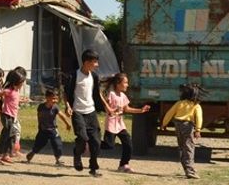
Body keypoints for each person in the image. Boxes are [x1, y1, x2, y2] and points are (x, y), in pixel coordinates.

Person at [63, 49, 104, 177]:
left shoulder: (94, 76)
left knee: (96, 141)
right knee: (82, 138)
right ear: (86, 62)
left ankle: (93, 167)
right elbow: (65, 93)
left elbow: (98, 94)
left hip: (91, 112)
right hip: (78, 112)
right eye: (95, 62)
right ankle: (77, 154)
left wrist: (108, 107)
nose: (97, 65)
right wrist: (67, 106)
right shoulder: (73, 76)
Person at [102, 72, 150, 173]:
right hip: (111, 124)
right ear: (118, 83)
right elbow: (105, 105)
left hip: (120, 125)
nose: (127, 85)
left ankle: (123, 165)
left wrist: (140, 110)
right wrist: (110, 110)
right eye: (125, 82)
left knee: (128, 143)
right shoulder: (111, 94)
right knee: (108, 145)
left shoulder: (123, 95)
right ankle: (91, 144)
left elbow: (126, 109)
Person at [161, 84, 203, 180]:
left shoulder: (179, 103)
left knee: (182, 146)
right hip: (188, 126)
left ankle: (186, 168)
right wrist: (198, 130)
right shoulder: (196, 105)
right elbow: (199, 118)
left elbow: (169, 113)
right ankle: (190, 170)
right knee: (189, 147)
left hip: (178, 125)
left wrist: (164, 123)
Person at [26, 86, 71, 165]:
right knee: (39, 144)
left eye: (56, 99)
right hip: (43, 129)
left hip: (53, 129)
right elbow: (39, 117)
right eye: (53, 98)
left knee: (57, 144)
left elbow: (61, 116)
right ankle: (32, 153)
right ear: (47, 98)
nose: (55, 100)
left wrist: (67, 124)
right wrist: (40, 127)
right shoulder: (41, 107)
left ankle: (57, 160)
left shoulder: (55, 107)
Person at [0, 67, 26, 164]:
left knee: (12, 135)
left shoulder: (15, 91)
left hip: (12, 116)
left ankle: (6, 154)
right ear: (16, 82)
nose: (22, 84)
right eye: (21, 82)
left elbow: (14, 100)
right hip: (6, 115)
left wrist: (22, 100)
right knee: (6, 134)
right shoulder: (9, 90)